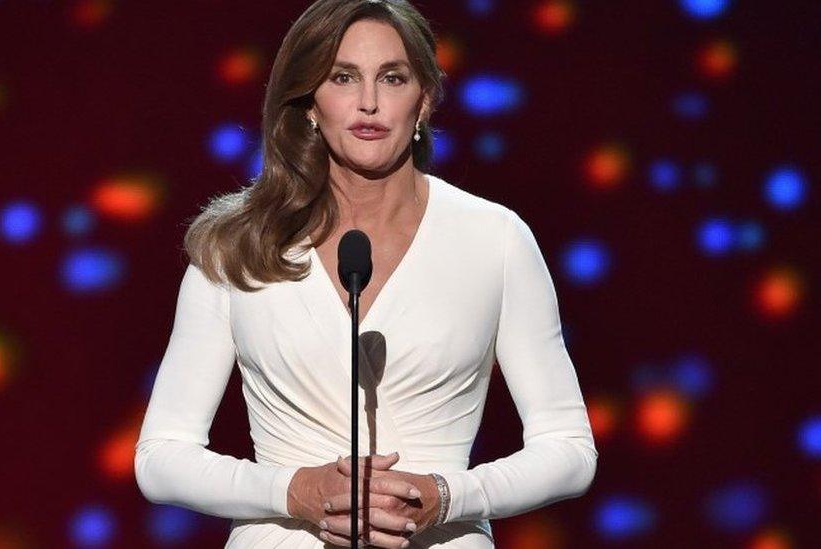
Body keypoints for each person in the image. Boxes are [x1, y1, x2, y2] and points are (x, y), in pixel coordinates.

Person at [133, 0, 598, 547]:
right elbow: (161, 458)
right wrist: (292, 490)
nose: (369, 103)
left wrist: (449, 496)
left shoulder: (494, 239)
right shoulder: (240, 246)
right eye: (343, 77)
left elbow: (569, 449)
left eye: (392, 78)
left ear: (423, 100)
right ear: (309, 100)